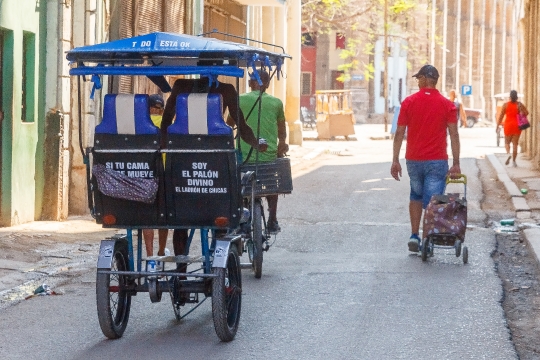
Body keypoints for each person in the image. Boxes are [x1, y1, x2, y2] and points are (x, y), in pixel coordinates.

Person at [160, 77, 268, 262]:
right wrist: (256, 143)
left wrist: (164, 144)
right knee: (221, 204)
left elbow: (166, 119)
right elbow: (241, 125)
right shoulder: (226, 90)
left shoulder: (181, 86)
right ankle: (218, 261)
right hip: (216, 159)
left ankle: (181, 268)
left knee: (181, 217)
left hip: (182, 157)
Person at [390, 65, 461, 252]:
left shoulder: (409, 102)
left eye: (418, 78)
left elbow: (399, 133)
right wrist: (456, 163)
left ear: (423, 78)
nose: (418, 82)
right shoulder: (447, 105)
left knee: (415, 195)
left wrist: (395, 159)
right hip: (437, 160)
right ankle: (428, 237)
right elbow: (454, 135)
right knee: (434, 201)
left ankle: (415, 235)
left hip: (413, 159)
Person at [237, 70, 288, 232]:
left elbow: (229, 123)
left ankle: (243, 218)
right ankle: (272, 219)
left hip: (244, 157)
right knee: (272, 185)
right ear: (267, 84)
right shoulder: (276, 103)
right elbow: (282, 130)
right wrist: (282, 144)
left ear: (250, 83)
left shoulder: (239, 100)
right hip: (268, 156)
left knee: (242, 188)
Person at [144, 94, 169, 264]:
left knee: (147, 218)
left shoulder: (140, 125)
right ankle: (160, 251)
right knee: (163, 217)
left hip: (142, 178)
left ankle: (149, 254)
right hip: (164, 175)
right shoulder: (167, 126)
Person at [496, 90, 529, 168]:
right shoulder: (519, 105)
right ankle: (514, 161)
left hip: (508, 125)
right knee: (515, 144)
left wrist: (497, 126)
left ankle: (508, 154)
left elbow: (501, 116)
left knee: (507, 142)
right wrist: (521, 111)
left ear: (510, 96)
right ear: (516, 96)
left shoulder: (505, 105)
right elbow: (527, 113)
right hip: (517, 126)